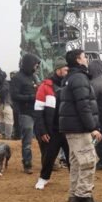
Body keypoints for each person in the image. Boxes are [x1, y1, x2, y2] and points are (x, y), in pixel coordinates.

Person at [58, 49, 102, 202]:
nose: (87, 59)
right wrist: (92, 128)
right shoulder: (79, 78)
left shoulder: (71, 78)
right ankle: (83, 196)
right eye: (84, 57)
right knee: (88, 160)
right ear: (78, 60)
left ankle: (74, 195)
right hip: (79, 127)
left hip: (71, 126)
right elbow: (83, 105)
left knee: (76, 161)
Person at [33, 58, 69, 190]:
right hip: (52, 129)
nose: (68, 71)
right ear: (58, 69)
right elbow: (38, 110)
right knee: (49, 157)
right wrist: (42, 131)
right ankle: (43, 178)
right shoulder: (45, 86)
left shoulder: (70, 84)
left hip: (68, 128)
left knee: (72, 158)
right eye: (65, 69)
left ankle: (76, 180)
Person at [9, 54, 40, 173]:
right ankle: (27, 164)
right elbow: (14, 96)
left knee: (43, 137)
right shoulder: (17, 78)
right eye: (35, 64)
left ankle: (49, 162)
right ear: (29, 64)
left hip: (37, 111)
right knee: (27, 140)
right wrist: (32, 97)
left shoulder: (35, 77)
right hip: (25, 112)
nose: (36, 67)